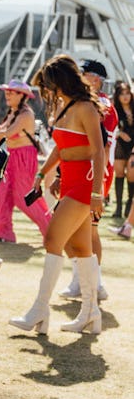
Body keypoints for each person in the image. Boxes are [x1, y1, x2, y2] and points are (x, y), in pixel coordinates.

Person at [10, 54, 105, 335]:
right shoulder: (62, 107)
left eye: (49, 85)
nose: (46, 91)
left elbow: (98, 151)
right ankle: (90, 313)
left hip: (85, 184)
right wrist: (43, 174)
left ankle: (40, 309)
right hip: (70, 180)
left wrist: (98, 193)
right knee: (80, 248)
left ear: (60, 81)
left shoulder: (86, 107)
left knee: (53, 238)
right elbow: (61, 147)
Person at [58, 58, 116, 303]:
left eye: (83, 73)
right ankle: (83, 279)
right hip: (78, 171)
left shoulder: (99, 103)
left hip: (94, 173)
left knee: (89, 230)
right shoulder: (82, 102)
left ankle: (96, 282)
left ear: (96, 78)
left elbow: (97, 146)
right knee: (73, 231)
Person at [0, 80, 50, 243]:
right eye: (7, 92)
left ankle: (51, 229)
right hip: (11, 157)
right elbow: (2, 129)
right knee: (1, 194)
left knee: (24, 198)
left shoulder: (26, 114)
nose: (7, 95)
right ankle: (1, 231)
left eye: (12, 92)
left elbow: (8, 132)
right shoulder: (13, 112)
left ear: (22, 96)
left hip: (24, 158)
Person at [110, 80, 134, 219]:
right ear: (117, 96)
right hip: (120, 145)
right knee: (119, 174)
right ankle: (118, 208)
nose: (125, 96)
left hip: (133, 146)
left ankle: (129, 206)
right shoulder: (114, 110)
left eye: (127, 93)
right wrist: (119, 133)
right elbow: (111, 128)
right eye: (122, 94)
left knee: (132, 175)